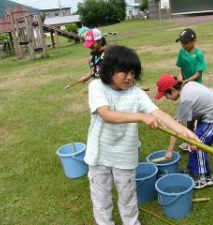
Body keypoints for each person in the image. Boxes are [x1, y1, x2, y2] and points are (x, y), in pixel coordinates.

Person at [84, 45, 199, 225]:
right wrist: (141, 116)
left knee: (128, 198)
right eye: (124, 71)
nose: (130, 77)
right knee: (101, 199)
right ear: (109, 69)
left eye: (133, 72)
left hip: (125, 157)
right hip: (99, 156)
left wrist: (185, 132)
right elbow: (107, 115)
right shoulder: (96, 87)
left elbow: (159, 114)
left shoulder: (136, 94)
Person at [155, 74, 213, 189]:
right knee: (193, 142)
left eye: (165, 95)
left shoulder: (186, 99)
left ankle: (203, 177)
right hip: (209, 115)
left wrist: (169, 151)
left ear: (172, 90)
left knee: (198, 145)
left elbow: (175, 129)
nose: (166, 98)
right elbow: (209, 91)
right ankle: (192, 169)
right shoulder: (189, 85)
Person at [175, 28, 207, 149]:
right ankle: (189, 140)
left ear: (194, 40)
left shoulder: (198, 54)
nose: (183, 45)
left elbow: (198, 73)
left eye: (186, 43)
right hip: (185, 86)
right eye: (182, 43)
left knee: (195, 115)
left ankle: (196, 139)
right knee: (188, 114)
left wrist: (186, 81)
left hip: (196, 87)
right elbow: (180, 67)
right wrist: (180, 75)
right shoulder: (181, 52)